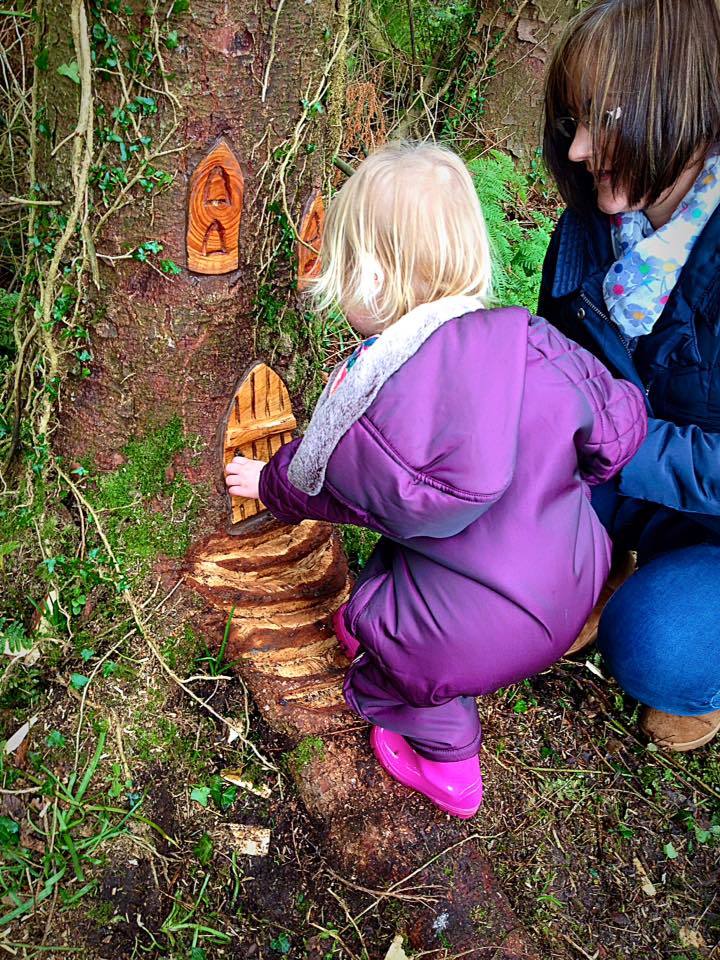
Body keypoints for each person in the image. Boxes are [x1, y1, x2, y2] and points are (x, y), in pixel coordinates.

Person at [225, 142, 646, 818]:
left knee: (382, 630)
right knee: (431, 569)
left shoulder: (379, 396)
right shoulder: (531, 341)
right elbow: (617, 430)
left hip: (474, 631)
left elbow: (321, 477)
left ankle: (451, 766)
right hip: (575, 581)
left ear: (372, 281)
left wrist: (264, 482)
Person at [540, 0, 720, 752]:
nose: (579, 150)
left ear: (681, 105)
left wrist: (617, 442)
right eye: (573, 119)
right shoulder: (596, 220)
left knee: (656, 647)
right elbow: (558, 358)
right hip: (624, 475)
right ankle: (603, 564)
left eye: (603, 116)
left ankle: (702, 679)